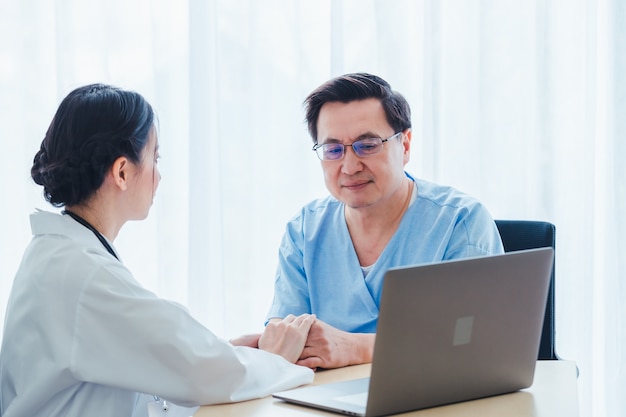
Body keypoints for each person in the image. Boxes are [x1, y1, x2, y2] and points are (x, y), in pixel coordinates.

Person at [0, 84, 316, 417]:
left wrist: (223, 352)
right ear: (122, 172)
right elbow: (199, 373)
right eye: (155, 157)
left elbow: (146, 354)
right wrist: (273, 360)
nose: (159, 175)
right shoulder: (81, 273)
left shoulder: (62, 256)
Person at [265, 73, 504, 370]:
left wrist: (355, 347)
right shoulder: (304, 231)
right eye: (333, 150)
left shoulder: (460, 222)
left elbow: (471, 343)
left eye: (368, 145)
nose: (349, 167)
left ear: (404, 145)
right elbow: (285, 345)